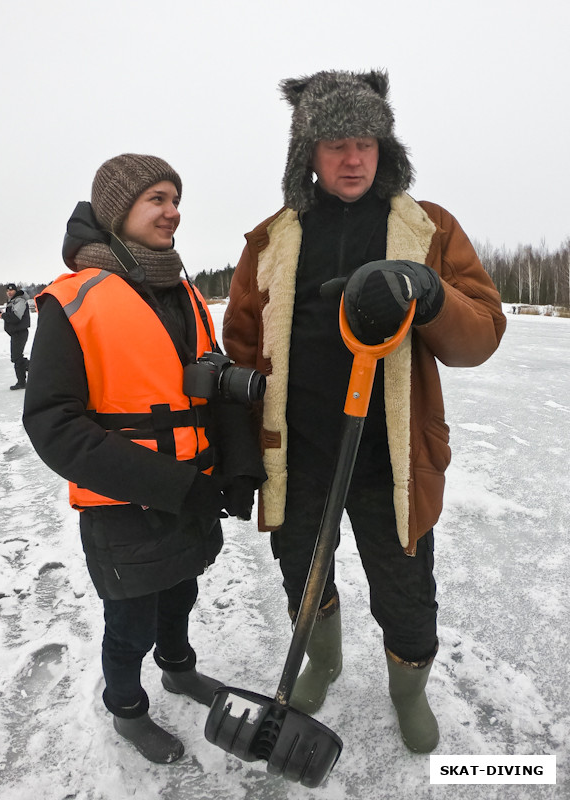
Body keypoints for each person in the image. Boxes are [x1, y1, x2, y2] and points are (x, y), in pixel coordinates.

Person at [222, 70, 506, 753]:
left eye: (367, 142)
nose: (353, 158)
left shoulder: (429, 229)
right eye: (335, 144)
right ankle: (322, 659)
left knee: (407, 593)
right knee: (305, 578)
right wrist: (238, 453)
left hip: (391, 458)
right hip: (299, 457)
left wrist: (429, 293)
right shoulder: (269, 240)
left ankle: (408, 690)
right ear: (307, 154)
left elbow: (484, 332)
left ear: (386, 149)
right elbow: (240, 347)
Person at [23, 154, 266, 764]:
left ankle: (179, 671)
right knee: (130, 622)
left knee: (180, 593)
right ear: (117, 210)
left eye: (175, 198)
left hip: (191, 489)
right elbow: (54, 426)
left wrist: (237, 468)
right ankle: (127, 709)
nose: (173, 211)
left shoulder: (180, 288)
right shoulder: (70, 301)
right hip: (125, 505)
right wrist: (172, 485)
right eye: (156, 198)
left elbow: (212, 382)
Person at [0, 283, 30, 389]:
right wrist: (3, 314)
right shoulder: (12, 302)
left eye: (11, 290)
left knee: (17, 358)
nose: (9, 292)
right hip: (16, 333)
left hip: (20, 332)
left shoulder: (19, 300)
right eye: (7, 291)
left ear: (15, 291)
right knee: (16, 358)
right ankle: (21, 382)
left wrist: (3, 315)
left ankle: (36, 368)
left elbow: (16, 317)